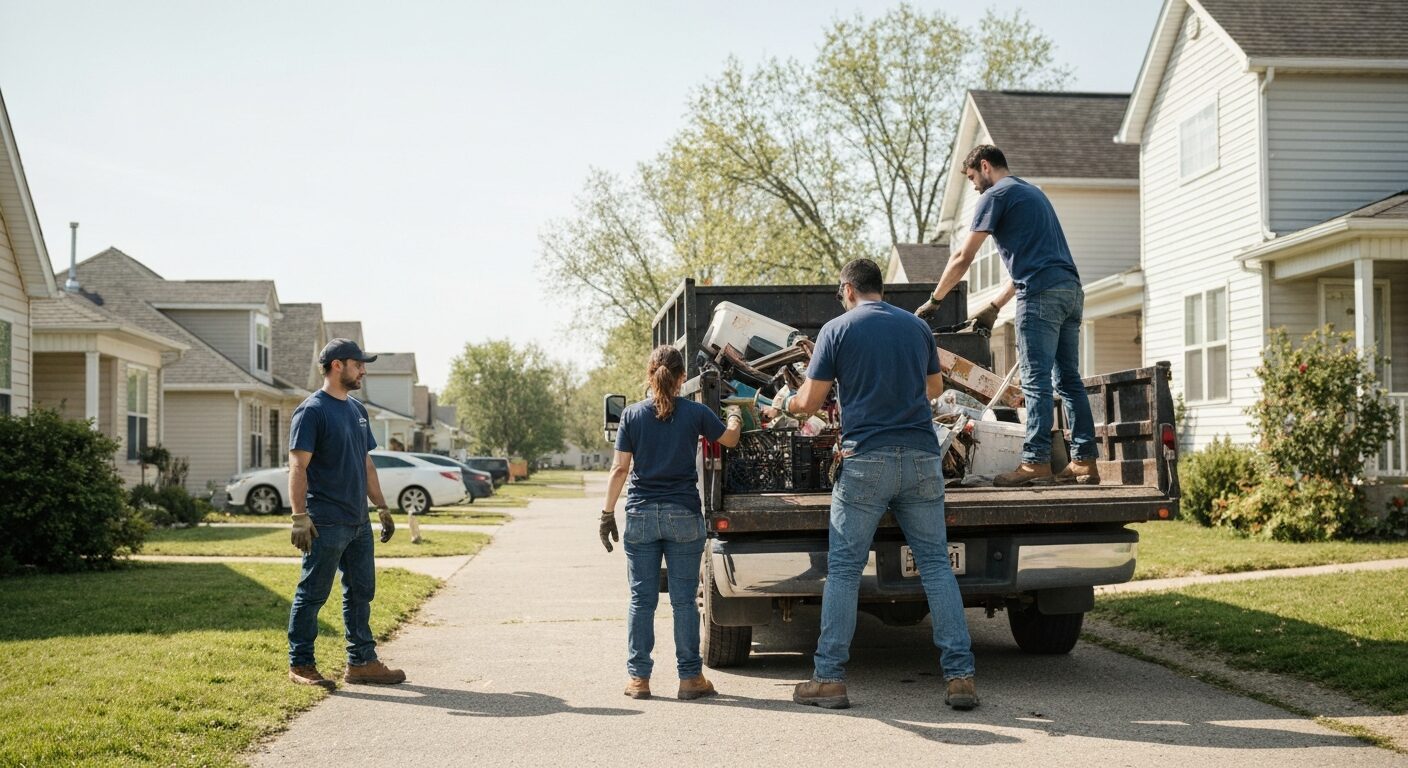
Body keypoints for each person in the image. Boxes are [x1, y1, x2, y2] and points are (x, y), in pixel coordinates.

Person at [778, 258, 978, 711]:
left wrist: (786, 403)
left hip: (866, 460)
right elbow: (933, 389)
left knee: (846, 570)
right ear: (878, 288)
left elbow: (809, 402)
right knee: (935, 566)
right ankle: (960, 676)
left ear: (848, 289)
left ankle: (829, 678)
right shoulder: (917, 329)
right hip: (924, 458)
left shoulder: (837, 330)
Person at [918, 144, 1100, 488]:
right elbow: (1030, 264)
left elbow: (962, 257)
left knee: (1035, 382)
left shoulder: (995, 195)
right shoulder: (1031, 193)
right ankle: (1084, 461)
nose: (973, 187)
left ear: (985, 166)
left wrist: (934, 300)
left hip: (1041, 296)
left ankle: (1035, 463)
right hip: (1070, 290)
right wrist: (994, 308)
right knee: (1069, 380)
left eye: (972, 177)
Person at [599, 345, 743, 701]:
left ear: (650, 375)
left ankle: (638, 679)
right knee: (683, 602)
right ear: (682, 378)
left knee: (641, 600)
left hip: (641, 516)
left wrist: (606, 514)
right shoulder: (696, 413)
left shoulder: (631, 416)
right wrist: (736, 417)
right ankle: (690, 678)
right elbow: (729, 438)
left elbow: (620, 468)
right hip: (683, 516)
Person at [286, 338, 406, 689]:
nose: (363, 370)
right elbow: (298, 465)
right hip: (326, 520)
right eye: (359, 364)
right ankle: (301, 664)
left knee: (361, 591)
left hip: (357, 521)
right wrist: (299, 517)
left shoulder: (356, 410)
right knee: (313, 593)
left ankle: (362, 662)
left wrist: (381, 506)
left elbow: (365, 462)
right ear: (337, 365)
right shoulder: (312, 410)